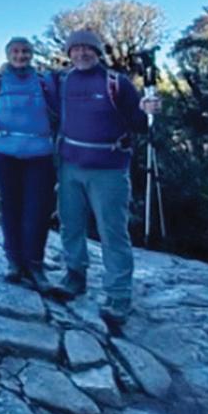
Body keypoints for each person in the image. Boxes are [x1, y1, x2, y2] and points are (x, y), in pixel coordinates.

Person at [54, 29, 161, 325]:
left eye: (87, 48)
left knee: (112, 233)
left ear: (98, 52)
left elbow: (140, 124)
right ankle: (75, 277)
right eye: (75, 49)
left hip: (109, 170)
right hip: (70, 167)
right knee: (70, 225)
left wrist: (148, 110)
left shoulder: (116, 83)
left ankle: (118, 297)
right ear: (69, 53)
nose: (81, 53)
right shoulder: (65, 81)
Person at [0, 37, 58, 292]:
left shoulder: (44, 81)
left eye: (25, 51)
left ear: (32, 54)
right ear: (7, 54)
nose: (20, 56)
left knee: (38, 209)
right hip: (4, 151)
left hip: (40, 153)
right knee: (10, 206)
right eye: (15, 51)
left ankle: (34, 263)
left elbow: (58, 109)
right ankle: (14, 262)